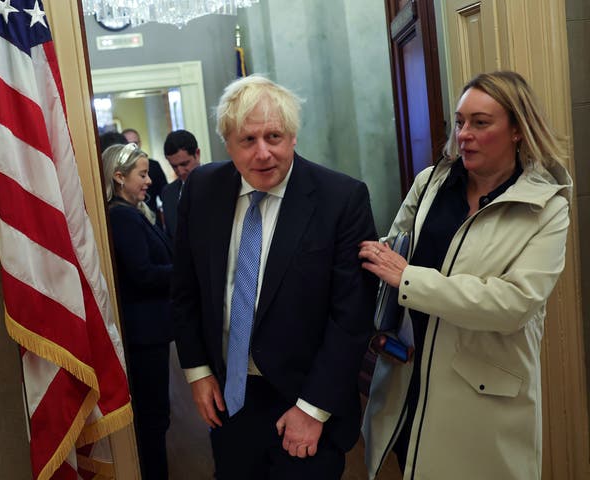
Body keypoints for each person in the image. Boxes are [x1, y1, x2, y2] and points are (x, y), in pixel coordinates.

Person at [359, 71, 572, 480]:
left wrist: (408, 280)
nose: (464, 135)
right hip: (408, 379)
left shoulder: (546, 208)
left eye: (480, 123)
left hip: (480, 399)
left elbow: (512, 305)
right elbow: (394, 250)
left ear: (517, 130)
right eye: (459, 122)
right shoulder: (430, 184)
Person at [172, 75, 378, 479]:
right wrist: (197, 372)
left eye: (274, 137)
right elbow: (185, 289)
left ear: (293, 137)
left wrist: (312, 408)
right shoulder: (202, 189)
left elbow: (350, 318)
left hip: (305, 400)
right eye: (248, 140)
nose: (263, 153)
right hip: (230, 399)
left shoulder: (341, 198)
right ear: (227, 144)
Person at [101, 143, 174, 479]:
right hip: (144, 333)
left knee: (157, 414)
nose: (148, 181)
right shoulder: (122, 216)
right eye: (141, 174)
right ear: (119, 177)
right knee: (152, 416)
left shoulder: (133, 213)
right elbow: (143, 275)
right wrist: (187, 271)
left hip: (151, 331)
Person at [162, 129, 201, 238]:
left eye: (184, 164)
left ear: (197, 154)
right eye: (174, 166)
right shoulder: (168, 193)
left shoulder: (218, 183)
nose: (180, 171)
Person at [122, 128, 168, 222]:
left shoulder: (154, 166)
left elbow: (166, 196)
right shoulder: (121, 171)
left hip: (154, 219)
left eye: (135, 143)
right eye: (128, 145)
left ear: (140, 143)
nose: (133, 148)